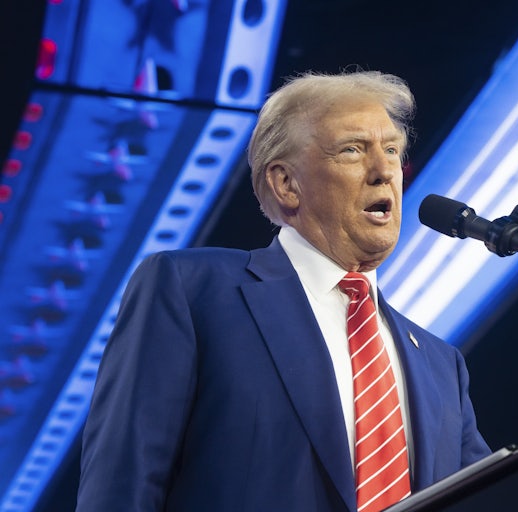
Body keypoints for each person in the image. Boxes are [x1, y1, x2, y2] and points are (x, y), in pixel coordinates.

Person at [76, 70, 491, 512]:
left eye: (391, 150)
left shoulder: (442, 365)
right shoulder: (193, 291)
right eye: (352, 150)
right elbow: (120, 488)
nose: (384, 170)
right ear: (285, 183)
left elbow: (490, 498)